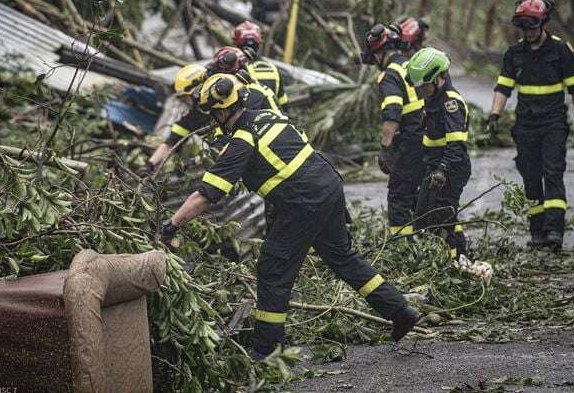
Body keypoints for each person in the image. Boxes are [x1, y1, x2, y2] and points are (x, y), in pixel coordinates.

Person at [160, 74, 421, 359]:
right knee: (342, 257)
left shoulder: (243, 141)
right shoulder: (268, 116)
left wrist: (172, 225)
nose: (212, 121)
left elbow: (206, 195)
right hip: (328, 185)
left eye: (213, 115)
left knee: (272, 267)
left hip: (304, 202)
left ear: (222, 111)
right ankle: (400, 310)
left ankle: (267, 349)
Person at [486, 0, 574, 251]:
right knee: (531, 178)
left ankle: (555, 230)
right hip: (526, 124)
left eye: (532, 27)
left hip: (554, 122)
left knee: (553, 173)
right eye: (523, 28)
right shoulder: (514, 54)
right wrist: (493, 116)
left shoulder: (560, 50)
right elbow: (503, 88)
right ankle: (537, 231)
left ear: (543, 23)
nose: (528, 32)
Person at [146, 49, 282, 174]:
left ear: (196, 91)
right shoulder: (196, 113)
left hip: (271, 149)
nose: (183, 101)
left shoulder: (231, 103)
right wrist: (150, 164)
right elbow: (170, 142)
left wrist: (193, 163)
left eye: (184, 97)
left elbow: (226, 147)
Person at [361, 23, 425, 237]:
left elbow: (393, 111)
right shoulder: (412, 64)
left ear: (379, 52)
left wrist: (385, 148)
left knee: (398, 198)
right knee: (420, 195)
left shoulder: (389, 75)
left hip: (409, 142)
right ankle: (427, 240)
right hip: (428, 138)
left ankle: (402, 247)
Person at [407, 47, 471, 259]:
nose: (422, 89)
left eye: (425, 85)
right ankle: (442, 257)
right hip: (434, 165)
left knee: (442, 216)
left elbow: (456, 145)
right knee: (422, 217)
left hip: (452, 167)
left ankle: (457, 259)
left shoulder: (450, 103)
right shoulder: (432, 98)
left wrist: (443, 170)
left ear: (438, 78)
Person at [234, 21, 288, 106]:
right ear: (259, 42)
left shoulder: (232, 70)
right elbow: (283, 103)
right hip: (273, 116)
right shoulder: (273, 69)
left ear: (236, 42)